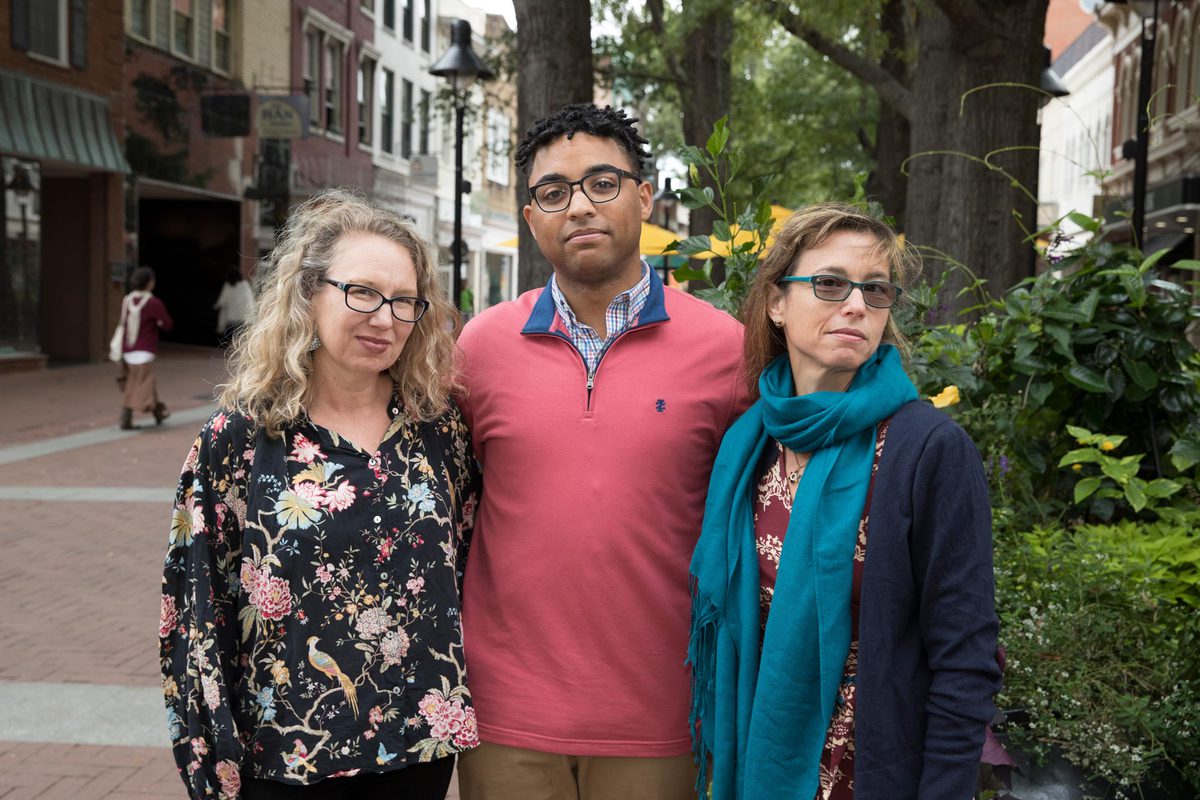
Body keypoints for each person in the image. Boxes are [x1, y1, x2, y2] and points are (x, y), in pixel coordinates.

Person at [454, 103, 750, 799]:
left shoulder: (726, 349)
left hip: (661, 719)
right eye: (554, 192)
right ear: (532, 218)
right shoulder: (479, 349)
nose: (579, 206)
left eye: (602, 183)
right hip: (506, 719)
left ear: (644, 198)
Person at [159, 189, 480, 800]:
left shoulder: (439, 430)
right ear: (309, 293)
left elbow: (465, 566)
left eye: (406, 302)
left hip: (418, 750)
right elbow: (197, 614)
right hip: (286, 759)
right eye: (361, 293)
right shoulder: (242, 440)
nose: (385, 318)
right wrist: (213, 769)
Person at [688, 203, 1002, 799]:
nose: (856, 305)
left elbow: (965, 656)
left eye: (875, 290)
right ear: (777, 303)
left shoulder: (929, 450)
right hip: (759, 759)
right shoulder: (749, 442)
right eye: (829, 284)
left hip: (872, 774)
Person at [117, 265, 173, 430]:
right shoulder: (153, 302)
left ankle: (158, 413)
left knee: (140, 382)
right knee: (141, 385)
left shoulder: (127, 300)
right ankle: (125, 418)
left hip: (128, 350)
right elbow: (168, 325)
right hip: (144, 351)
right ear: (149, 283)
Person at [214, 268, 255, 345]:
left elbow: (223, 300)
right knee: (241, 338)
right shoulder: (244, 284)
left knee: (231, 337)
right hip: (243, 316)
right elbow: (249, 300)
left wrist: (216, 306)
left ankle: (231, 352)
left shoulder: (228, 285)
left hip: (231, 317)